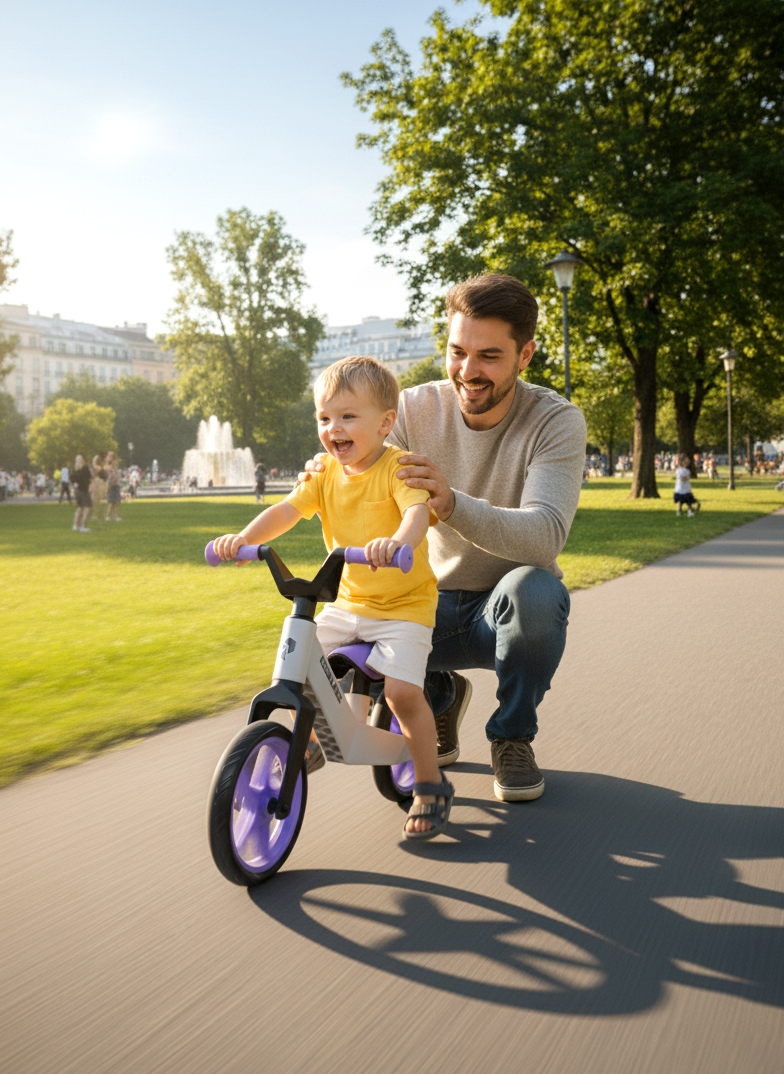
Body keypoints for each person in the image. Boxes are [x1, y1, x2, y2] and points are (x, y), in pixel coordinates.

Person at [300, 274, 587, 804]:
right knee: (343, 627)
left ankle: (511, 736)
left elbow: (545, 535)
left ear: (525, 355)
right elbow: (358, 473)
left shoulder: (555, 421)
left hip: (499, 612)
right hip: (420, 604)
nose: (468, 371)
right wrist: (327, 469)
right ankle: (437, 692)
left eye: (489, 356)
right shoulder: (408, 409)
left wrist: (452, 504)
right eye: (458, 352)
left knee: (537, 592)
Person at [212, 355, 453, 840]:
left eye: (347, 416)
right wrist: (243, 540)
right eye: (324, 418)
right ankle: (313, 740)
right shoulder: (322, 471)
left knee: (401, 693)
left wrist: (397, 544)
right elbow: (286, 511)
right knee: (297, 664)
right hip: (347, 604)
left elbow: (416, 515)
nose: (333, 428)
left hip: (404, 608)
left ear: (385, 423)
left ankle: (430, 783)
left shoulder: (397, 468)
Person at [71, 454, 92, 531]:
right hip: (84, 490)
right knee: (88, 507)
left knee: (80, 508)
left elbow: (72, 480)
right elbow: (88, 478)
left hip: (78, 490)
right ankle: (83, 525)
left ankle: (76, 525)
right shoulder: (85, 469)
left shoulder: (75, 470)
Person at [105, 452, 122, 520]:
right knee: (112, 502)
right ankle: (111, 516)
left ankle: (111, 516)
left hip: (115, 485)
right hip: (111, 485)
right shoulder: (108, 467)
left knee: (115, 502)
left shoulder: (114, 467)